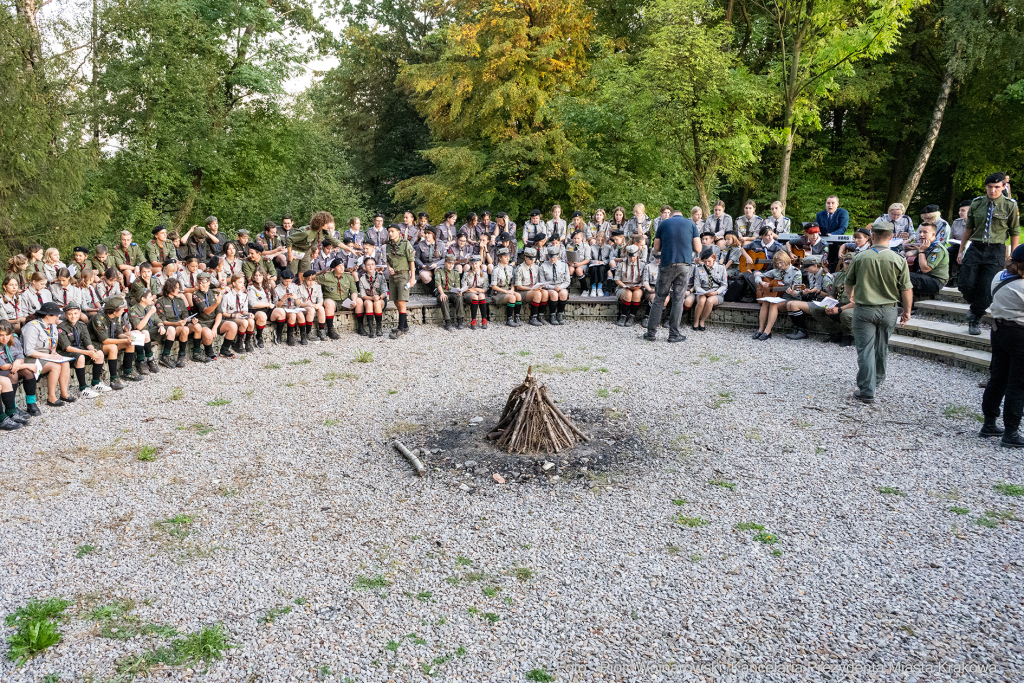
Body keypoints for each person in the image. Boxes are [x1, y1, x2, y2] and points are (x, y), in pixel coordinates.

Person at [844, 218, 913, 403]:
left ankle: (867, 390)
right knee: (882, 347)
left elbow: (849, 281)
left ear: (872, 236)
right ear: (891, 237)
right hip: (889, 309)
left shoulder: (860, 257)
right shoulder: (899, 259)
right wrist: (907, 311)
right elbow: (906, 288)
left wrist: (850, 295)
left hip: (865, 309)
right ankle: (877, 379)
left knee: (865, 350)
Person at [958, 172, 1020, 335]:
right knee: (965, 283)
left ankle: (975, 316)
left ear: (1003, 187)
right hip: (976, 247)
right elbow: (968, 228)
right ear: (986, 187)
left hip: (996, 250)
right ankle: (976, 304)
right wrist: (961, 249)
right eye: (990, 187)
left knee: (987, 288)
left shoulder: (1010, 206)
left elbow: (1014, 231)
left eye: (997, 187)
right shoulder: (977, 203)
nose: (993, 191)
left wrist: (1014, 255)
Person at [979, 244, 1024, 448]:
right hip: (1019, 335)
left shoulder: (1000, 276)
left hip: (998, 331)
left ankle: (989, 423)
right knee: (1017, 385)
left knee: (998, 378)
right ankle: (1011, 433)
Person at [643, 210, 700, 342]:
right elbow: (698, 248)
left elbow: (656, 248)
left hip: (667, 264)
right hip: (684, 265)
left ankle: (651, 333)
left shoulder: (664, 224)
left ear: (671, 215)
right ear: (682, 215)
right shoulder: (691, 224)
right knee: (678, 300)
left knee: (659, 298)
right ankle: (674, 334)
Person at [22, 302, 74, 406]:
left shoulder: (52, 326)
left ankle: (64, 394)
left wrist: (53, 353)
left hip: (46, 356)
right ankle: (51, 397)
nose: (57, 317)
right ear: (47, 316)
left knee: (65, 363)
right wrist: (50, 356)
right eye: (56, 315)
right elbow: (28, 351)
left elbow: (52, 344)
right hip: (31, 358)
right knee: (55, 366)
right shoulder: (32, 327)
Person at [89, 296, 140, 388]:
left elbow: (119, 333)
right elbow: (105, 341)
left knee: (130, 343)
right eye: (121, 310)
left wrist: (128, 337)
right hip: (94, 344)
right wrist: (125, 339)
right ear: (114, 311)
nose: (123, 311)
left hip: (108, 341)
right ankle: (114, 379)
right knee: (113, 347)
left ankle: (128, 372)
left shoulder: (116, 317)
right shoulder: (98, 318)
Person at [808, 252, 856, 344]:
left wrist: (839, 309)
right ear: (843, 263)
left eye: (851, 263)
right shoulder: (840, 275)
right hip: (839, 304)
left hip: (854, 307)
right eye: (846, 263)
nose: (849, 265)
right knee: (816, 310)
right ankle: (836, 333)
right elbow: (832, 294)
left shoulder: (860, 277)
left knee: (845, 314)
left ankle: (850, 335)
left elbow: (856, 302)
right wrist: (828, 305)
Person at [752, 251, 801, 341]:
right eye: (777, 263)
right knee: (766, 301)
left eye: (781, 262)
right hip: (778, 297)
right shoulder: (776, 271)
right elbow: (758, 277)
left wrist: (792, 292)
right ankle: (760, 329)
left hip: (790, 299)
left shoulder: (796, 272)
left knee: (773, 304)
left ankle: (767, 331)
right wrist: (761, 282)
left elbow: (797, 292)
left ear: (786, 260)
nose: (779, 265)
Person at [785, 255, 834, 340]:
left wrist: (816, 291)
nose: (805, 269)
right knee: (789, 304)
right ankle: (796, 328)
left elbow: (831, 295)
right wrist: (794, 289)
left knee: (794, 305)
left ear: (815, 266)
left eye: (807, 267)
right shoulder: (811, 275)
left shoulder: (826, 277)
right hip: (814, 300)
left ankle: (803, 331)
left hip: (823, 303)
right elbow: (807, 287)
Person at [158, 279, 204, 365]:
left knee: (197, 326)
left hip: (181, 325)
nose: (178, 290)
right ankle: (180, 355)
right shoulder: (161, 301)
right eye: (176, 288)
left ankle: (196, 353)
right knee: (185, 329)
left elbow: (185, 316)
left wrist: (191, 320)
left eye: (179, 288)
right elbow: (162, 321)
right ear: (169, 288)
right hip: (170, 326)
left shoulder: (180, 300)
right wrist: (177, 324)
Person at [0, 320, 36, 423]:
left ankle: (31, 404)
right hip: (3, 371)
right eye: (1, 335)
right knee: (13, 374)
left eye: (7, 335)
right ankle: (12, 407)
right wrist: (23, 365)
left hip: (12, 367)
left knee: (28, 372)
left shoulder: (15, 339)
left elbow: (20, 356)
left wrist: (18, 362)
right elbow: (3, 366)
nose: (4, 338)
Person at [385, 223, 417, 339]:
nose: (390, 233)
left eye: (393, 231)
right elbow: (388, 260)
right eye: (389, 231)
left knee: (402, 301)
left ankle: (400, 328)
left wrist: (412, 278)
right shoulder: (388, 246)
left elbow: (411, 261)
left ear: (399, 232)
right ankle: (405, 324)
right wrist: (389, 267)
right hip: (393, 276)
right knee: (395, 301)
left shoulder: (405, 244)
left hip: (403, 275)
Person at [318, 258, 361, 338]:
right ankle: (330, 330)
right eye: (339, 266)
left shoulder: (348, 277)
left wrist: (354, 300)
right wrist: (320, 272)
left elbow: (354, 291)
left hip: (345, 302)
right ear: (333, 268)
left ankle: (360, 326)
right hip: (333, 301)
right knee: (328, 303)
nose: (342, 268)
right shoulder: (326, 276)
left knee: (359, 301)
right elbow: (312, 278)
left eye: (343, 265)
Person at [906, 224, 948, 300]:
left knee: (905, 276)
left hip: (935, 281)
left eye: (925, 232)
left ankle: (908, 306)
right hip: (924, 277)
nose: (921, 235)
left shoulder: (938, 249)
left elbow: (925, 269)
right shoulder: (925, 246)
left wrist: (921, 251)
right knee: (899, 274)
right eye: (920, 232)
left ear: (933, 234)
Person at [692, 247, 727, 331]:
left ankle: (702, 321)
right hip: (702, 291)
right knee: (702, 300)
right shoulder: (699, 268)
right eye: (705, 261)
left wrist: (716, 292)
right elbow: (696, 285)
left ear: (714, 258)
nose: (707, 264)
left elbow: (724, 285)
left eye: (709, 261)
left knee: (710, 300)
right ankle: (696, 321)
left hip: (716, 293)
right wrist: (704, 292)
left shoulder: (721, 268)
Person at [127, 290, 161, 375]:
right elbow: (138, 327)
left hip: (151, 331)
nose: (152, 298)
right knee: (144, 332)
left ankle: (151, 360)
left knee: (169, 330)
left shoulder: (150, 307)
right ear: (143, 298)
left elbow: (157, 320)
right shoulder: (133, 310)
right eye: (150, 297)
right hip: (139, 334)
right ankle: (142, 361)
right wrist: (149, 313)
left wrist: (161, 326)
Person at [357, 257, 388, 338]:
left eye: (372, 264)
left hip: (380, 299)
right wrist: (371, 298)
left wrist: (378, 297)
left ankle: (379, 328)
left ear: (375, 266)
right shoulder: (362, 278)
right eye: (368, 265)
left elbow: (385, 292)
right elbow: (363, 295)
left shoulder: (381, 276)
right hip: (368, 299)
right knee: (368, 303)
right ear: (365, 267)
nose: (370, 267)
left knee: (377, 303)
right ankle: (371, 330)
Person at [434, 253, 465, 330]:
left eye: (452, 263)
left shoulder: (455, 273)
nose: (451, 265)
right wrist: (442, 293)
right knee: (444, 299)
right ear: (445, 262)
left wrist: (459, 291)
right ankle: (447, 321)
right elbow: (438, 283)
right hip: (442, 292)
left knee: (459, 297)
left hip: (452, 293)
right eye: (449, 263)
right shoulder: (439, 271)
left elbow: (457, 285)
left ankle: (460, 320)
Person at [539, 246, 570, 325]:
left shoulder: (564, 265)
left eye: (554, 257)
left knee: (563, 293)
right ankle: (552, 315)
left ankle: (559, 314)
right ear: (548, 256)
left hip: (560, 286)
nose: (552, 259)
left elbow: (567, 281)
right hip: (549, 287)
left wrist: (560, 287)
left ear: (558, 255)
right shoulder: (543, 266)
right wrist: (553, 287)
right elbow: (542, 282)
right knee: (554, 294)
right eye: (550, 257)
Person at [490, 248, 521, 326]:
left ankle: (517, 317)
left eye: (508, 256)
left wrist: (512, 290)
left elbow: (512, 282)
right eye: (505, 257)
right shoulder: (496, 269)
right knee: (512, 298)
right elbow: (493, 286)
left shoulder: (510, 268)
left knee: (518, 295)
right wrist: (506, 292)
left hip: (508, 290)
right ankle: (509, 319)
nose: (508, 258)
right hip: (498, 293)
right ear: (500, 258)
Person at [462, 256, 490, 329]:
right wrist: (478, 290)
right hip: (469, 294)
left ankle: (484, 320)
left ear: (480, 263)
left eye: (476, 263)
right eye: (473, 264)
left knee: (481, 296)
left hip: (478, 293)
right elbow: (465, 288)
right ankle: (473, 320)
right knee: (475, 296)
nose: (474, 266)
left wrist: (474, 289)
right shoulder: (466, 273)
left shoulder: (484, 274)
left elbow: (485, 288)